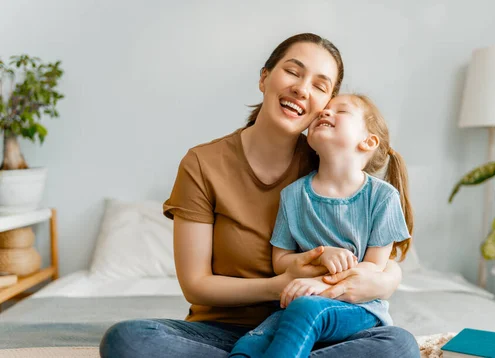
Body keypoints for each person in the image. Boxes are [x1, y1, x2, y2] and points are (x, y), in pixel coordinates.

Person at [99, 33, 419, 358]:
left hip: (321, 331)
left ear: (327, 105)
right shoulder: (203, 164)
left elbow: (383, 263)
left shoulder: (330, 162)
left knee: (400, 345)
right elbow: (195, 284)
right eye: (293, 71)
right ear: (264, 77)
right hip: (222, 331)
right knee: (127, 339)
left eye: (320, 86)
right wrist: (281, 285)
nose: (302, 88)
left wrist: (385, 281)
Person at [228, 94, 417, 358]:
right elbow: (280, 261)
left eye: (341, 111)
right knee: (248, 345)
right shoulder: (293, 196)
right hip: (298, 304)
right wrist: (320, 255)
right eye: (323, 111)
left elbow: (374, 267)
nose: (324, 113)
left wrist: (321, 287)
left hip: (357, 306)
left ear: (368, 141)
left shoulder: (382, 197)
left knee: (308, 311)